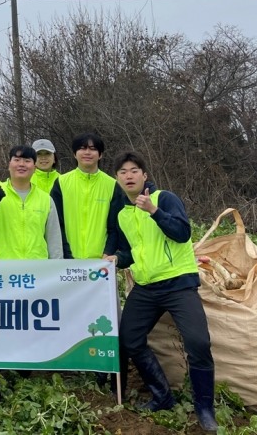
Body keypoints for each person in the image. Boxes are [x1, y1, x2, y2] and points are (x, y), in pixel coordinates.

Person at [109, 151, 217, 433]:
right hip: (146, 288)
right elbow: (132, 253)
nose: (129, 175)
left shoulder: (165, 199)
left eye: (134, 170)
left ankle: (205, 408)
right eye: (122, 172)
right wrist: (117, 260)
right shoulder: (123, 214)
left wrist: (154, 212)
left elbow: (182, 233)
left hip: (178, 284)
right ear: (117, 179)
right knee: (129, 338)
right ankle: (162, 396)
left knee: (198, 343)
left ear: (145, 176)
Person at [0, 144, 63, 259]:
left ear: (35, 167)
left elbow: (54, 239)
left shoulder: (45, 199)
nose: (21, 164)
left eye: (27, 161)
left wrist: (56, 267)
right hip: (4, 267)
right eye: (17, 160)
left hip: (38, 270)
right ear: (9, 165)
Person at [50, 132, 122, 259]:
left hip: (100, 264)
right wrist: (67, 255)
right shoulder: (61, 183)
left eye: (93, 149)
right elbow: (56, 225)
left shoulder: (112, 185)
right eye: (82, 148)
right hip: (68, 261)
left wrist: (108, 253)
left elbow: (114, 227)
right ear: (74, 154)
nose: (87, 152)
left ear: (100, 155)